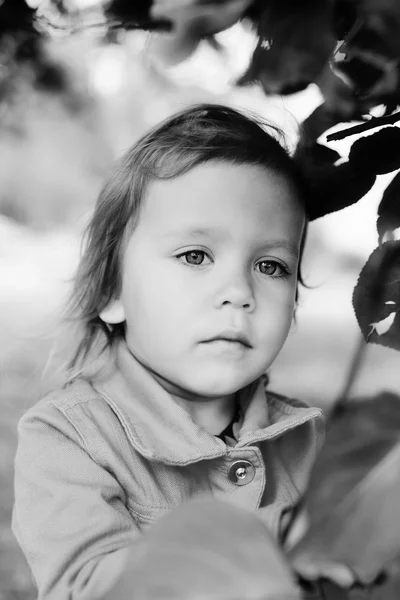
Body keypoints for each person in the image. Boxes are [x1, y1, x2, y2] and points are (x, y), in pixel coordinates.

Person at [12, 103, 325, 599]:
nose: (238, 291)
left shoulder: (309, 442)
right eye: (195, 255)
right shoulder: (69, 440)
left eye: (271, 265)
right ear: (112, 291)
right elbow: (89, 586)